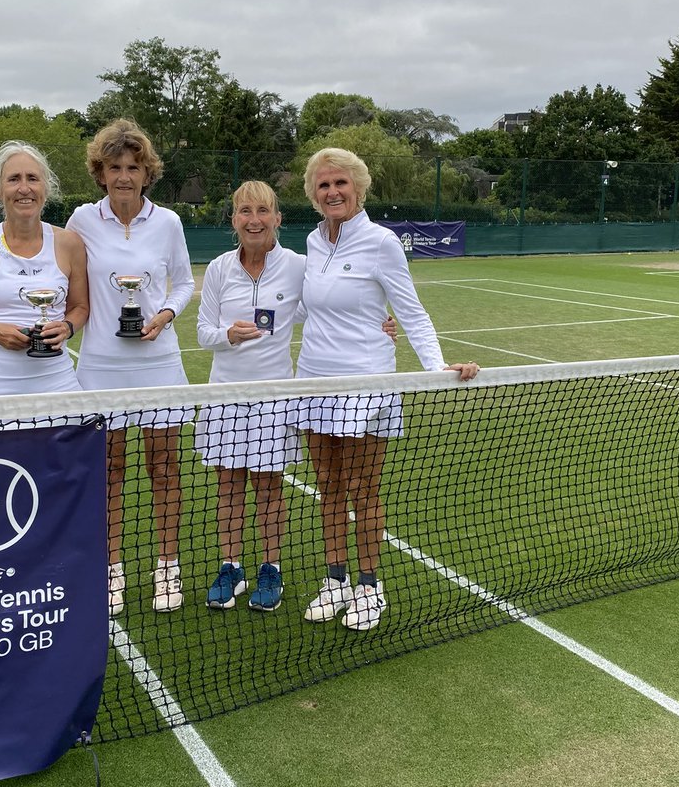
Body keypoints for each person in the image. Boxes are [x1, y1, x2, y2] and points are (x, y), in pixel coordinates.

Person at [293, 146, 479, 632]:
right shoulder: (311, 243)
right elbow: (305, 308)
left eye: (341, 183)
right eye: (324, 184)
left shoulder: (381, 243)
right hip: (312, 378)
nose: (332, 191)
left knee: (363, 490)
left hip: (367, 381)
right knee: (328, 487)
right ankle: (336, 580)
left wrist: (436, 365)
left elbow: (411, 310)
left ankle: (370, 586)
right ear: (314, 193)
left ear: (358, 188)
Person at [196, 181, 397, 614]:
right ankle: (230, 567)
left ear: (277, 218)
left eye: (263, 211)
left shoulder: (298, 266)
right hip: (224, 394)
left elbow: (331, 305)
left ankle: (271, 569)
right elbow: (202, 333)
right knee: (228, 487)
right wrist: (228, 336)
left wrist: (378, 323)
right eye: (245, 211)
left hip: (276, 397)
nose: (254, 220)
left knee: (269, 489)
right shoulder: (217, 269)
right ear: (234, 219)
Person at [66, 119, 195, 616]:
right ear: (101, 173)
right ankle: (111, 569)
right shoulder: (80, 220)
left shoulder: (168, 223)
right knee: (108, 472)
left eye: (134, 167)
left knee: (164, 468)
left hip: (159, 363)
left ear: (147, 173)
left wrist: (164, 315)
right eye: (115, 167)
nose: (124, 176)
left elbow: (183, 283)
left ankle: (168, 568)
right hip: (100, 365)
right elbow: (51, 260)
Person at [0, 141, 88, 397]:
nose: (24, 188)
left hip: (57, 383)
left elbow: (80, 307)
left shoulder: (70, 243)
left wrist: (66, 327)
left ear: (45, 188)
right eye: (13, 179)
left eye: (33, 178)